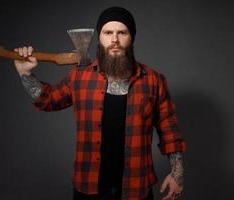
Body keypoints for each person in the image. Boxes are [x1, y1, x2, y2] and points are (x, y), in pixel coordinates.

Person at [13, 7, 186, 200]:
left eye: (122, 32)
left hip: (136, 187)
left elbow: (169, 129)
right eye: (108, 32)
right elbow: (47, 100)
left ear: (131, 38)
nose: (114, 40)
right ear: (100, 37)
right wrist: (25, 73)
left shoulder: (153, 80)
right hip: (88, 187)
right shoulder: (80, 76)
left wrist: (177, 175)